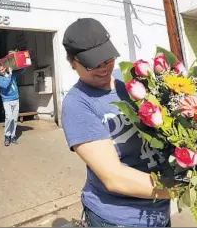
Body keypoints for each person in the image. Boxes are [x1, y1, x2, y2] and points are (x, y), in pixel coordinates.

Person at [61, 18, 171, 227]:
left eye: (107, 59)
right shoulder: (77, 104)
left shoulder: (129, 79)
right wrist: (186, 190)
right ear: (72, 62)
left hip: (160, 210)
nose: (103, 68)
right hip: (117, 218)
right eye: (93, 63)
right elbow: (115, 178)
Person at [0, 62, 26, 146]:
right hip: (7, 100)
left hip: (15, 99)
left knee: (14, 119)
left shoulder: (12, 74)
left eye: (2, 69)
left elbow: (23, 69)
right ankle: (7, 136)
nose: (1, 71)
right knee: (9, 117)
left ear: (5, 68)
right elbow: (5, 85)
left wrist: (17, 63)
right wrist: (10, 74)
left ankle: (13, 136)